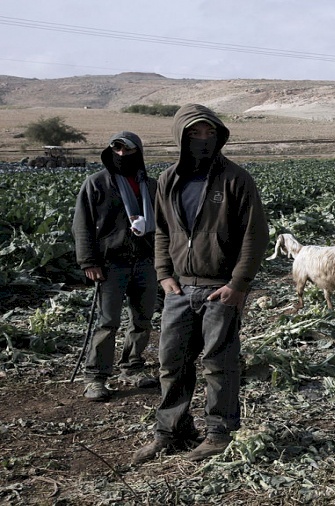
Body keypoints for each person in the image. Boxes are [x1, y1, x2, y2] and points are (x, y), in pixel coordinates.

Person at [132, 104, 269, 465]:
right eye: (195, 133)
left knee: (219, 363)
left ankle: (219, 434)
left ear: (219, 135)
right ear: (181, 136)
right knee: (171, 362)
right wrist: (164, 274)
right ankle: (171, 431)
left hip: (220, 287)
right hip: (180, 289)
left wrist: (238, 285)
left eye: (210, 133)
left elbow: (255, 236)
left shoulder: (236, 179)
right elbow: (161, 231)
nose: (203, 140)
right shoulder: (168, 180)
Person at [72, 132, 159, 402]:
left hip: (146, 261)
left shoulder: (152, 185)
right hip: (111, 264)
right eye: (117, 149)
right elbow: (82, 224)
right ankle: (95, 377)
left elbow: (167, 223)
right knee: (107, 322)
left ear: (138, 153)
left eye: (127, 150)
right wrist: (89, 261)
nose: (121, 154)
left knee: (142, 319)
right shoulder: (97, 183)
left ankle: (132, 367)